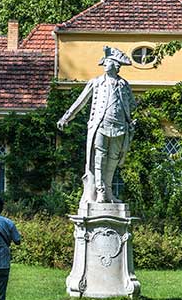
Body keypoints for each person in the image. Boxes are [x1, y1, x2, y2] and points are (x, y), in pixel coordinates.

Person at [57, 46, 136, 203]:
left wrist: (129, 118)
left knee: (113, 159)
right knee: (99, 158)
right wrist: (66, 117)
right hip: (100, 125)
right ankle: (99, 192)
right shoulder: (97, 82)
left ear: (115, 65)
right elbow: (80, 101)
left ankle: (108, 191)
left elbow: (132, 105)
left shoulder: (123, 85)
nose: (104, 65)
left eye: (107, 62)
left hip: (119, 127)